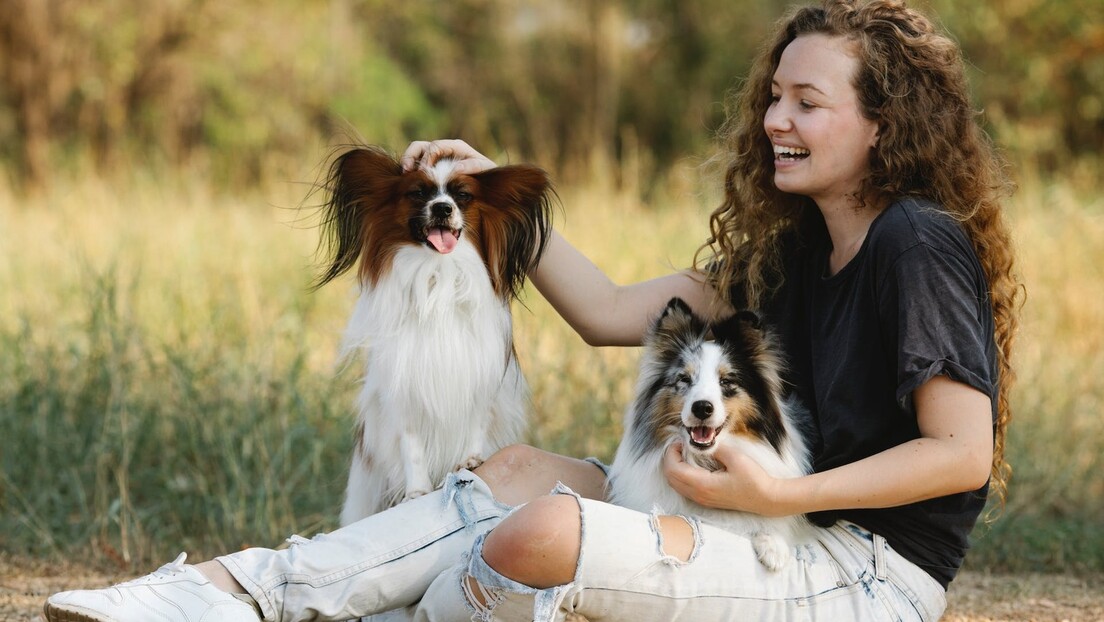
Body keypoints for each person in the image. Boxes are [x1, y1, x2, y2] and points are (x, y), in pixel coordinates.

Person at [45, 0, 1022, 620]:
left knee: (543, 535)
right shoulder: (787, 255)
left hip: (861, 575)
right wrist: (486, 187)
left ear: (884, 122)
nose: (774, 119)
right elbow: (601, 311)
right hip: (744, 520)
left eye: (807, 102)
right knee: (512, 475)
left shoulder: (916, 241)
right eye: (774, 96)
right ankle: (227, 590)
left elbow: (960, 452)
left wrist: (775, 497)